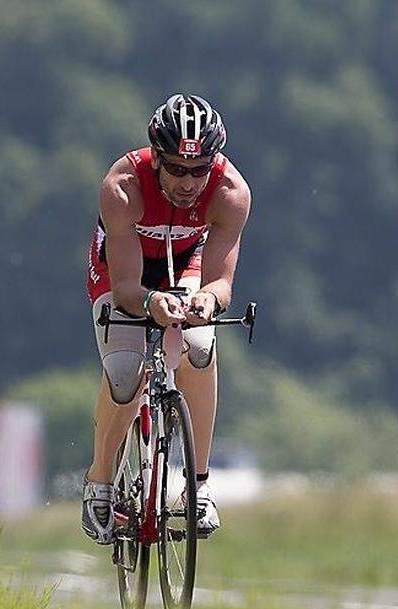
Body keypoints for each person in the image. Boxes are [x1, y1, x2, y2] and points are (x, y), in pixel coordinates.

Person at [82, 93, 252, 544]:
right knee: (124, 371)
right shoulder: (122, 187)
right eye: (176, 168)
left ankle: (197, 486)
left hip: (187, 261)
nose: (189, 182)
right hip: (126, 272)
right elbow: (125, 290)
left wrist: (207, 304)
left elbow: (221, 283)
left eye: (199, 170)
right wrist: (153, 303)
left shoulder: (231, 193)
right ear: (156, 157)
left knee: (199, 346)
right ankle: (99, 480)